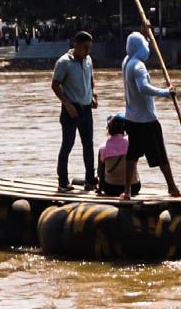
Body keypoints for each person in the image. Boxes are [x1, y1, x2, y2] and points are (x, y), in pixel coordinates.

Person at [120, 31, 180, 199]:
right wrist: (165, 92)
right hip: (146, 120)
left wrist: (146, 34)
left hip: (131, 118)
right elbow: (143, 87)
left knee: (132, 155)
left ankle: (127, 190)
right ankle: (172, 187)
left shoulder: (126, 62)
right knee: (160, 154)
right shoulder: (138, 66)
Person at [51, 31, 96, 192]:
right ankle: (63, 182)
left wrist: (93, 95)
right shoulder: (64, 62)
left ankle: (90, 180)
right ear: (76, 45)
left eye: (89, 48)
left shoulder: (88, 60)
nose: (87, 51)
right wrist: (67, 104)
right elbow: (55, 85)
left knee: (88, 145)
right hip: (71, 110)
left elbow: (91, 79)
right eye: (85, 47)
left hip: (86, 109)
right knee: (68, 145)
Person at [97, 115, 130, 195]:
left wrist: (100, 188)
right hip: (134, 187)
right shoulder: (132, 143)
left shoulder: (103, 147)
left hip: (111, 188)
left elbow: (100, 172)